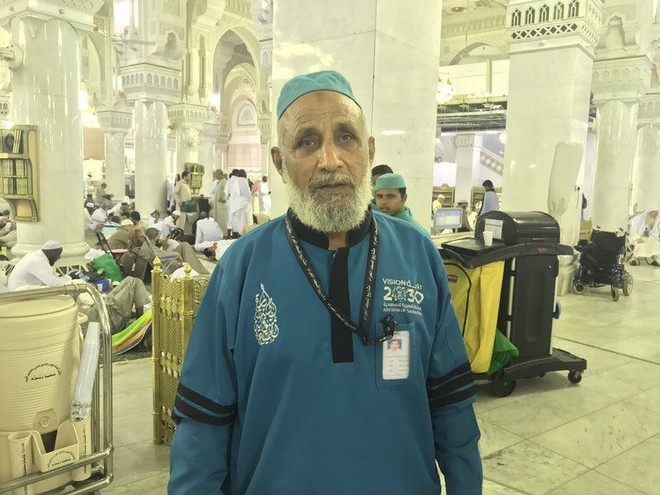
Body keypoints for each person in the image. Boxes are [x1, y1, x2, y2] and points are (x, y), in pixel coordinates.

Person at [168, 70, 481, 495]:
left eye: (346, 137)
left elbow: (451, 403)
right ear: (280, 163)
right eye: (307, 142)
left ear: (369, 151)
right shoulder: (242, 268)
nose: (330, 160)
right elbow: (202, 427)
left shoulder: (417, 255)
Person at [77, 276, 151, 334]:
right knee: (136, 283)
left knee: (129, 279)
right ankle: (143, 328)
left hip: (101, 308)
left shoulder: (72, 292)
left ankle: (143, 320)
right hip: (106, 317)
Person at [8, 240, 72, 290]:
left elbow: (47, 274)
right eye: (58, 254)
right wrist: (69, 278)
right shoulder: (37, 260)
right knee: (58, 289)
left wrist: (59, 276)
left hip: (21, 288)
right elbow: (52, 282)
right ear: (49, 252)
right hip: (19, 292)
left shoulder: (37, 256)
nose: (59, 257)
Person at [226, 168, 251, 238]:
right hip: (242, 204)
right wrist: (248, 200)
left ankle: (234, 235)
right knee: (242, 221)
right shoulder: (243, 181)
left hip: (234, 204)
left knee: (235, 221)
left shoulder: (234, 181)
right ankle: (242, 235)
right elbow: (247, 194)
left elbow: (230, 193)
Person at [211, 170, 228, 236]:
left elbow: (228, 193)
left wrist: (224, 199)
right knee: (218, 221)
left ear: (220, 174)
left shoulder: (224, 181)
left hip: (222, 206)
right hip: (218, 206)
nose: (215, 176)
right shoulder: (219, 182)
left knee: (222, 222)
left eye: (216, 174)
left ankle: (225, 235)